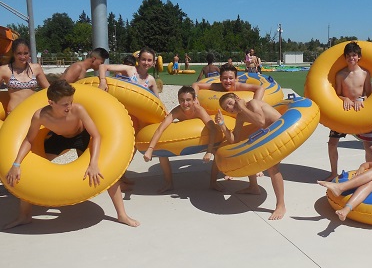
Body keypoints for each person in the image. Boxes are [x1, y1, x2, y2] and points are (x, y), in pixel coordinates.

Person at [4, 80, 139, 229]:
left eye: (70, 102)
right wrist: (16, 164)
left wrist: (93, 163)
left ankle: (122, 215)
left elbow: (97, 136)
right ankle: (25, 216)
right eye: (65, 104)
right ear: (51, 102)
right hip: (58, 138)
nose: (69, 107)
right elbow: (29, 139)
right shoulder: (40, 116)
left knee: (107, 174)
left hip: (81, 137)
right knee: (29, 172)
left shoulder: (77, 109)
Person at [215, 93, 286, 220]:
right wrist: (222, 125)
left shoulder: (253, 103)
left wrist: (242, 107)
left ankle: (281, 205)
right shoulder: (241, 116)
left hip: (281, 131)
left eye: (230, 103)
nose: (230, 108)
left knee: (272, 168)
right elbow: (234, 140)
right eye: (227, 108)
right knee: (247, 152)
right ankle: (253, 187)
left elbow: (261, 121)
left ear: (237, 98)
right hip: (270, 135)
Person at [192, 64, 265, 185]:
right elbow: (196, 84)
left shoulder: (239, 87)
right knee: (223, 141)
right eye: (225, 78)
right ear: (220, 79)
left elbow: (260, 88)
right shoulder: (216, 86)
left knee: (252, 136)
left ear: (236, 78)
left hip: (244, 116)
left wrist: (255, 105)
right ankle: (229, 168)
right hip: (227, 118)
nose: (228, 81)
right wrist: (195, 97)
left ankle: (258, 167)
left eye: (231, 78)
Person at [143, 86, 217, 193]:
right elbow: (160, 129)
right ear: (178, 100)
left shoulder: (199, 110)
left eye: (188, 100)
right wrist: (150, 149)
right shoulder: (176, 111)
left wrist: (209, 152)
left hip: (201, 137)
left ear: (194, 100)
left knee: (217, 152)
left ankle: (213, 183)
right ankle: (169, 183)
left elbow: (213, 129)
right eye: (182, 100)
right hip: (187, 136)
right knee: (161, 154)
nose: (185, 103)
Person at [325, 41, 372, 181]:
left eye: (354, 55)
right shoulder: (341, 75)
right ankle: (334, 172)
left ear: (358, 56)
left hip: (360, 112)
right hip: (344, 112)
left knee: (369, 147)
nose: (351, 58)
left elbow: (369, 94)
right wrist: (344, 99)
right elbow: (337, 94)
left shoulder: (365, 73)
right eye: (348, 56)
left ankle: (370, 174)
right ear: (345, 58)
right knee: (332, 143)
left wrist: (362, 99)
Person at [0, 38, 50, 113]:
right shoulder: (5, 69)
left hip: (32, 111)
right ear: (13, 53)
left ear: (29, 53)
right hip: (14, 112)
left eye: (26, 53)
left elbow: (49, 89)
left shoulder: (36, 68)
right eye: (19, 53)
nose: (23, 57)